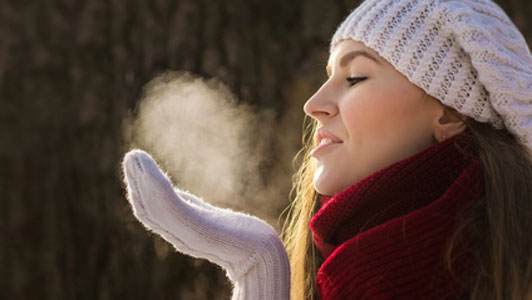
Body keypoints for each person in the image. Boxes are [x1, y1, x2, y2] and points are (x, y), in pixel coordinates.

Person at [122, 0, 532, 299]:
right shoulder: (339, 272)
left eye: (354, 77)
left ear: (449, 113)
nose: (313, 104)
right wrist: (258, 270)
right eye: (328, 75)